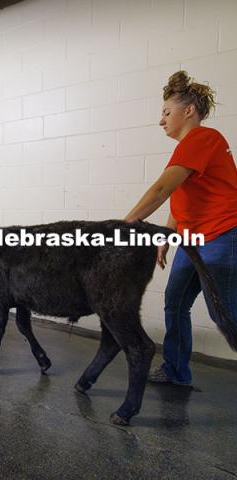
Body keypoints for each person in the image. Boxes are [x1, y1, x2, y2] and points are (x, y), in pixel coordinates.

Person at [124, 70, 237, 386]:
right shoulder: (191, 148)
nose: (161, 120)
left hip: (221, 236)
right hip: (191, 240)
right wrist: (166, 236)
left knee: (224, 314)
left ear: (189, 111)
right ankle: (176, 371)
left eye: (166, 112)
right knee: (175, 303)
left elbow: (161, 190)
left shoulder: (203, 138)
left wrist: (120, 228)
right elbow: (181, 197)